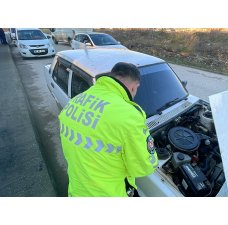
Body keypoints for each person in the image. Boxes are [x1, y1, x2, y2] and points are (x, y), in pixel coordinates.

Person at [58, 62, 158, 197]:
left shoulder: (75, 101)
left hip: (76, 191)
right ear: (135, 86)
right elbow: (144, 167)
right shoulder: (130, 115)